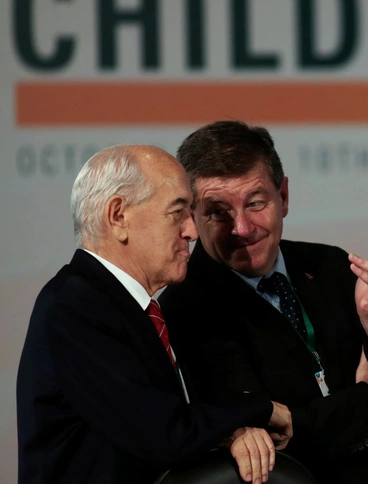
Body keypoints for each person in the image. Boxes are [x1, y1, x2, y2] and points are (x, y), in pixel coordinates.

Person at [161, 121, 368, 483]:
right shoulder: (184, 306)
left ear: (284, 197)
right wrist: (366, 399)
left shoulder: (328, 266)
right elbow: (264, 431)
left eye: (255, 203)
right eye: (219, 212)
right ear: (192, 217)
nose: (242, 228)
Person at [17, 145, 294, 484]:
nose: (191, 232)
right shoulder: (75, 306)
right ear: (118, 216)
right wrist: (262, 408)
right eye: (177, 212)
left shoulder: (124, 305)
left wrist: (231, 433)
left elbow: (148, 427)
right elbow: (165, 434)